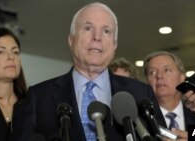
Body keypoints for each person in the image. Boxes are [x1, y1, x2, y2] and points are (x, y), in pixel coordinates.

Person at [11, 2, 166, 141]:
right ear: (71, 40)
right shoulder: (38, 98)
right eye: (87, 28)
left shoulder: (141, 95)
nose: (97, 37)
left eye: (106, 31)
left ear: (114, 45)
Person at [143, 51, 195, 141]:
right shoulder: (142, 120)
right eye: (152, 72)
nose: (159, 76)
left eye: (166, 70)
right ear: (147, 81)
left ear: (182, 77)